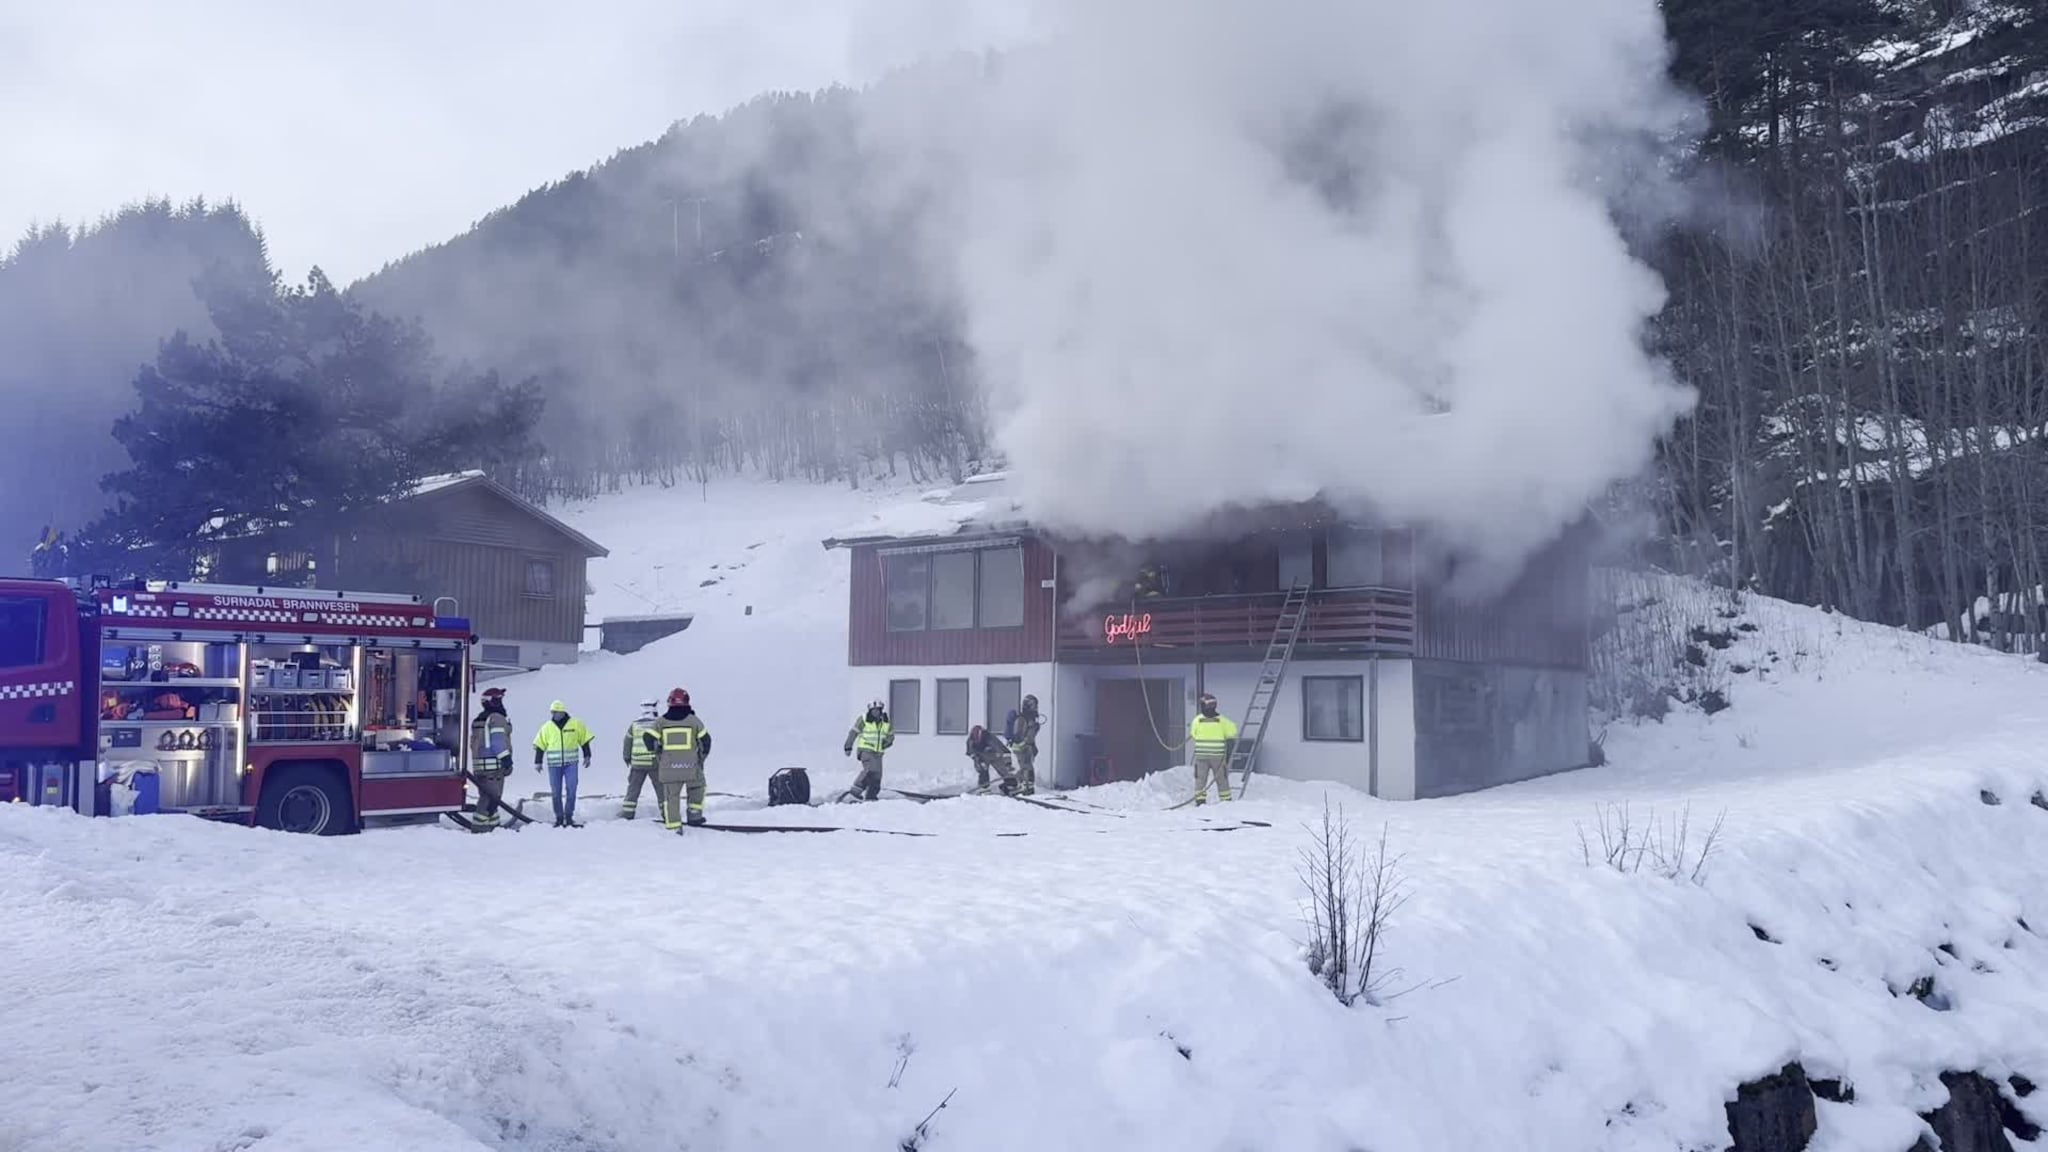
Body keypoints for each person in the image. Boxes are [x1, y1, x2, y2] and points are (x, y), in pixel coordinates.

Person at [644, 687, 710, 831]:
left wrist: (658, 753)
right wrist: (701, 759)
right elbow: (706, 741)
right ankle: (694, 817)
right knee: (697, 788)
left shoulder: (661, 722)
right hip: (691, 767)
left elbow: (648, 738)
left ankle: (674, 826)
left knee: (671, 797)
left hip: (669, 769)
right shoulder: (694, 721)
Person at [532, 699, 595, 827]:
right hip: (554, 765)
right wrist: (538, 762)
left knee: (571, 789)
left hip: (571, 764)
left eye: (556, 712)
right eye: (552, 712)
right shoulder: (547, 727)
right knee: (556, 791)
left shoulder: (575, 724)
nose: (554, 714)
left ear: (562, 712)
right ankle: (559, 817)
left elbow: (584, 740)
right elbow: (540, 744)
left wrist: (587, 755)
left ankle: (569, 816)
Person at [467, 687, 515, 829]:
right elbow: (497, 742)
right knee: (491, 799)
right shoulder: (496, 719)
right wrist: (506, 760)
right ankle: (479, 827)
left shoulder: (479, 720)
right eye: (499, 699)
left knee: (488, 798)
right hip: (494, 769)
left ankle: (494, 826)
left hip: (480, 768)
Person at [1187, 692, 1238, 806]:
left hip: (1201, 756)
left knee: (1200, 779)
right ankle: (1226, 801)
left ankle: (1200, 801)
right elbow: (1232, 733)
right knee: (1222, 779)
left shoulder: (1197, 720)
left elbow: (1193, 734)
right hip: (1218, 757)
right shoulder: (1223, 721)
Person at [842, 700, 893, 801]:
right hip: (865, 750)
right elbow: (853, 732)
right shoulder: (864, 719)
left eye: (877, 710)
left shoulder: (885, 721)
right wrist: (848, 746)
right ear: (870, 710)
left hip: (878, 753)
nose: (875, 712)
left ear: (880, 710)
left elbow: (891, 736)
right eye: (873, 710)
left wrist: (886, 743)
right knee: (870, 770)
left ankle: (871, 796)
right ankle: (854, 792)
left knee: (877, 775)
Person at [619, 699, 661, 820]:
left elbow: (627, 741)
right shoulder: (659, 723)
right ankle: (667, 813)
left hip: (637, 763)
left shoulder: (635, 724)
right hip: (654, 763)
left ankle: (627, 814)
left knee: (633, 790)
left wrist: (626, 757)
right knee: (661, 790)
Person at [967, 724, 1019, 795]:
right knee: (983, 770)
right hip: (981, 756)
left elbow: (1004, 751)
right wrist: (978, 759)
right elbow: (970, 752)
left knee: (1004, 771)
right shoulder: (970, 740)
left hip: (995, 755)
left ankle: (1010, 786)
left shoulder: (990, 738)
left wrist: (1008, 764)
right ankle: (984, 789)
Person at [1009, 694, 1043, 796]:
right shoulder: (1023, 718)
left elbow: (1031, 734)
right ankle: (1025, 786)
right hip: (1022, 746)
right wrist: (1024, 743)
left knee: (1026, 767)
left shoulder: (1030, 718)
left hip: (1027, 746)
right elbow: (1019, 734)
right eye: (1033, 705)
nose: (1035, 708)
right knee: (1026, 767)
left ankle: (1021, 784)